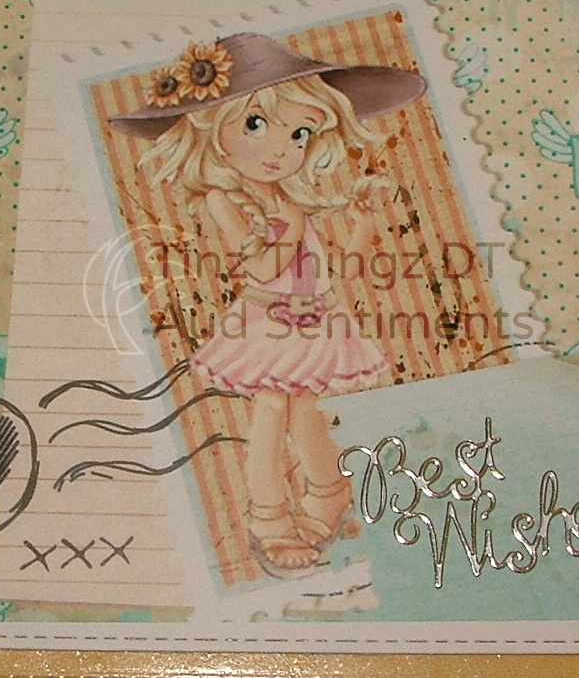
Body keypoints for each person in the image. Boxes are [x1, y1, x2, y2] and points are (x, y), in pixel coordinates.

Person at [109, 32, 425, 576]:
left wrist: (361, 233)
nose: (281, 150)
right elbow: (258, 268)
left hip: (317, 319)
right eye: (256, 125)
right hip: (267, 321)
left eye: (299, 134)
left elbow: (331, 275)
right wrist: (293, 228)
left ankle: (328, 494)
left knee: (306, 411)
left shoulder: (288, 198)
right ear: (212, 130)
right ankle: (269, 519)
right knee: (273, 410)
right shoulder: (225, 197)